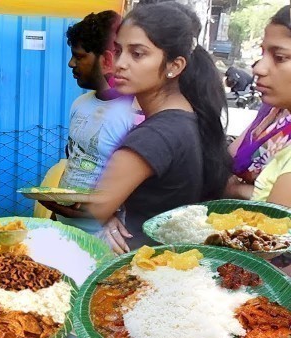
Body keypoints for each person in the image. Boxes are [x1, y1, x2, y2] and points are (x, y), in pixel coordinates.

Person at [73, 2, 230, 254]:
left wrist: (89, 210)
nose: (120, 63)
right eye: (119, 50)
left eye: (137, 54)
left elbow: (90, 212)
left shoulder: (154, 137)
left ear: (174, 66)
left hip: (140, 266)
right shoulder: (189, 118)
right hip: (172, 262)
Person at [38, 10, 136, 235]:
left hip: (105, 240)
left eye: (80, 56)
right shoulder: (80, 103)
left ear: (107, 59)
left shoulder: (133, 114)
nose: (71, 63)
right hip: (64, 230)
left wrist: (100, 213)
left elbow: (134, 192)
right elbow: (73, 161)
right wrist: (55, 215)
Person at [226, 5, 291, 208]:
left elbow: (275, 230)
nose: (258, 68)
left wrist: (238, 190)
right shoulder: (273, 111)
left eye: (279, 58)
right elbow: (228, 160)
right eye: (262, 53)